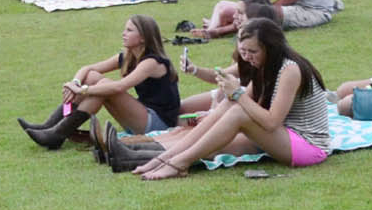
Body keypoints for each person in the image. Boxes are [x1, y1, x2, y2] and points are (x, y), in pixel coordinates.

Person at [130, 17, 329, 180]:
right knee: (229, 105)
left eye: (253, 52)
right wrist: (229, 99)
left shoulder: (290, 69)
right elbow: (240, 102)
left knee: (236, 111)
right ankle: (165, 158)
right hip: (285, 137)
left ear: (271, 48)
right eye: (243, 52)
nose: (247, 57)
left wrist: (237, 93)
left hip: (309, 146)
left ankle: (179, 163)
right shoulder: (265, 65)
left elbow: (271, 122)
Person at [19, 14, 181, 151]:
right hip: (142, 115)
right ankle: (50, 126)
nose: (123, 33)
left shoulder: (152, 62)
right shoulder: (128, 56)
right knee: (92, 77)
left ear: (143, 38)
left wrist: (81, 90)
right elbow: (88, 69)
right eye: (125, 29)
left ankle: (57, 134)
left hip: (159, 123)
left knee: (105, 86)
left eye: (129, 30)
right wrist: (75, 82)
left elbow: (120, 86)